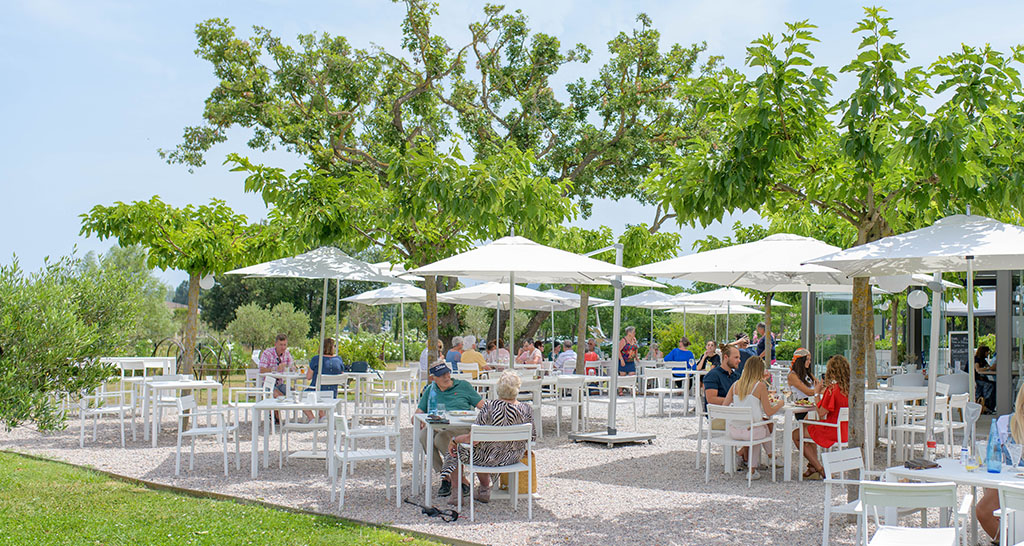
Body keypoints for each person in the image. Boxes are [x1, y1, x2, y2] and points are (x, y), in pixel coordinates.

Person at [439, 372, 536, 504]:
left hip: (487, 459)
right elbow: (532, 438)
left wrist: (455, 440)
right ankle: (484, 491)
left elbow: (473, 439)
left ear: (498, 389)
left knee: (457, 450)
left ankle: (457, 493)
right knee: (481, 451)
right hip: (513, 458)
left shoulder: (489, 407)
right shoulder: (527, 409)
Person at [414, 362, 485, 498]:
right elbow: (418, 413)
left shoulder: (463, 386)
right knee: (424, 435)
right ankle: (448, 477)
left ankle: (455, 480)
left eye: (447, 373)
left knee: (441, 438)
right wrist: (417, 419)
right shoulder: (430, 390)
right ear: (433, 378)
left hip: (461, 427)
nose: (446, 377)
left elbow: (483, 406)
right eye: (441, 375)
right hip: (440, 425)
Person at [975, 382, 1024, 542]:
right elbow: (991, 459)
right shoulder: (1005, 423)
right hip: (1010, 485)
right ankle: (1009, 540)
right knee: (984, 510)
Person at [723, 356, 784, 478]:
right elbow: (769, 412)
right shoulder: (759, 386)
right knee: (760, 428)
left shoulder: (735, 385)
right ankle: (761, 464)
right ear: (759, 370)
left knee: (760, 426)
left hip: (734, 431)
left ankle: (767, 461)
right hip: (751, 432)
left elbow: (725, 406)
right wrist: (780, 404)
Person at [795, 355, 850, 479]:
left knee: (796, 435)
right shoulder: (851, 388)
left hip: (832, 429)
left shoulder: (833, 390)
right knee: (807, 425)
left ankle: (820, 469)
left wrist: (816, 393)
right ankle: (813, 467)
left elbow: (821, 413)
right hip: (846, 430)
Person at [302, 337, 346, 422]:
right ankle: (322, 416)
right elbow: (341, 374)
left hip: (316, 393)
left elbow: (308, 377)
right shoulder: (338, 360)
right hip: (332, 394)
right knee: (320, 391)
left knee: (301, 397)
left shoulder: (316, 359)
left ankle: (312, 418)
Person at [259, 334, 294, 399]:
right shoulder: (267, 353)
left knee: (294, 394)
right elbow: (262, 370)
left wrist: (292, 368)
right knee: (278, 396)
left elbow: (292, 366)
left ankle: (292, 408)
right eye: (281, 345)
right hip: (268, 384)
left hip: (280, 384)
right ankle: (275, 408)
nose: (283, 347)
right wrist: (275, 369)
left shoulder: (286, 353)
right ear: (275, 345)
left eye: (285, 345)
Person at [787, 348, 816, 421]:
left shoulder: (808, 374)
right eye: (807, 359)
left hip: (811, 405)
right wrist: (821, 391)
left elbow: (819, 385)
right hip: (802, 408)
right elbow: (808, 392)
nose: (809, 362)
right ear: (801, 361)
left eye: (810, 360)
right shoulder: (793, 375)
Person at [617, 326, 639, 394]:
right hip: (624, 360)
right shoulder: (623, 340)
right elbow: (618, 350)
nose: (634, 333)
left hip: (631, 361)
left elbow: (635, 348)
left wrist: (636, 356)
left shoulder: (634, 339)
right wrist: (621, 360)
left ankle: (632, 389)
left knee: (632, 374)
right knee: (622, 375)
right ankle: (620, 390)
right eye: (633, 332)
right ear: (629, 333)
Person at [975, 345, 997, 412]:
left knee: (994, 384)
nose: (988, 354)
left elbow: (990, 367)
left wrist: (991, 367)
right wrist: (988, 368)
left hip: (981, 378)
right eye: (987, 352)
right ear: (984, 352)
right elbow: (977, 369)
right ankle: (987, 404)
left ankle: (991, 405)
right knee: (990, 385)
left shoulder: (983, 360)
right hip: (976, 379)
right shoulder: (976, 359)